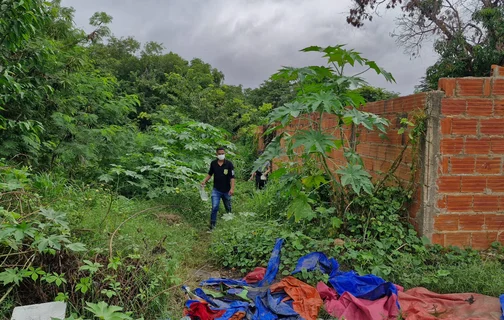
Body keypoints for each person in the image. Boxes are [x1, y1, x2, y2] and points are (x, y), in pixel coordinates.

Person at [201, 147, 235, 230]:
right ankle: (212, 226)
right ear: (216, 154)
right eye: (219, 154)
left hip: (227, 190)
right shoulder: (213, 164)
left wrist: (232, 188)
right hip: (216, 190)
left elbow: (232, 177)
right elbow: (210, 174)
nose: (221, 155)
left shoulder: (229, 164)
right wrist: (204, 181)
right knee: (215, 207)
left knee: (228, 207)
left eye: (222, 153)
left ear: (225, 154)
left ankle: (230, 224)